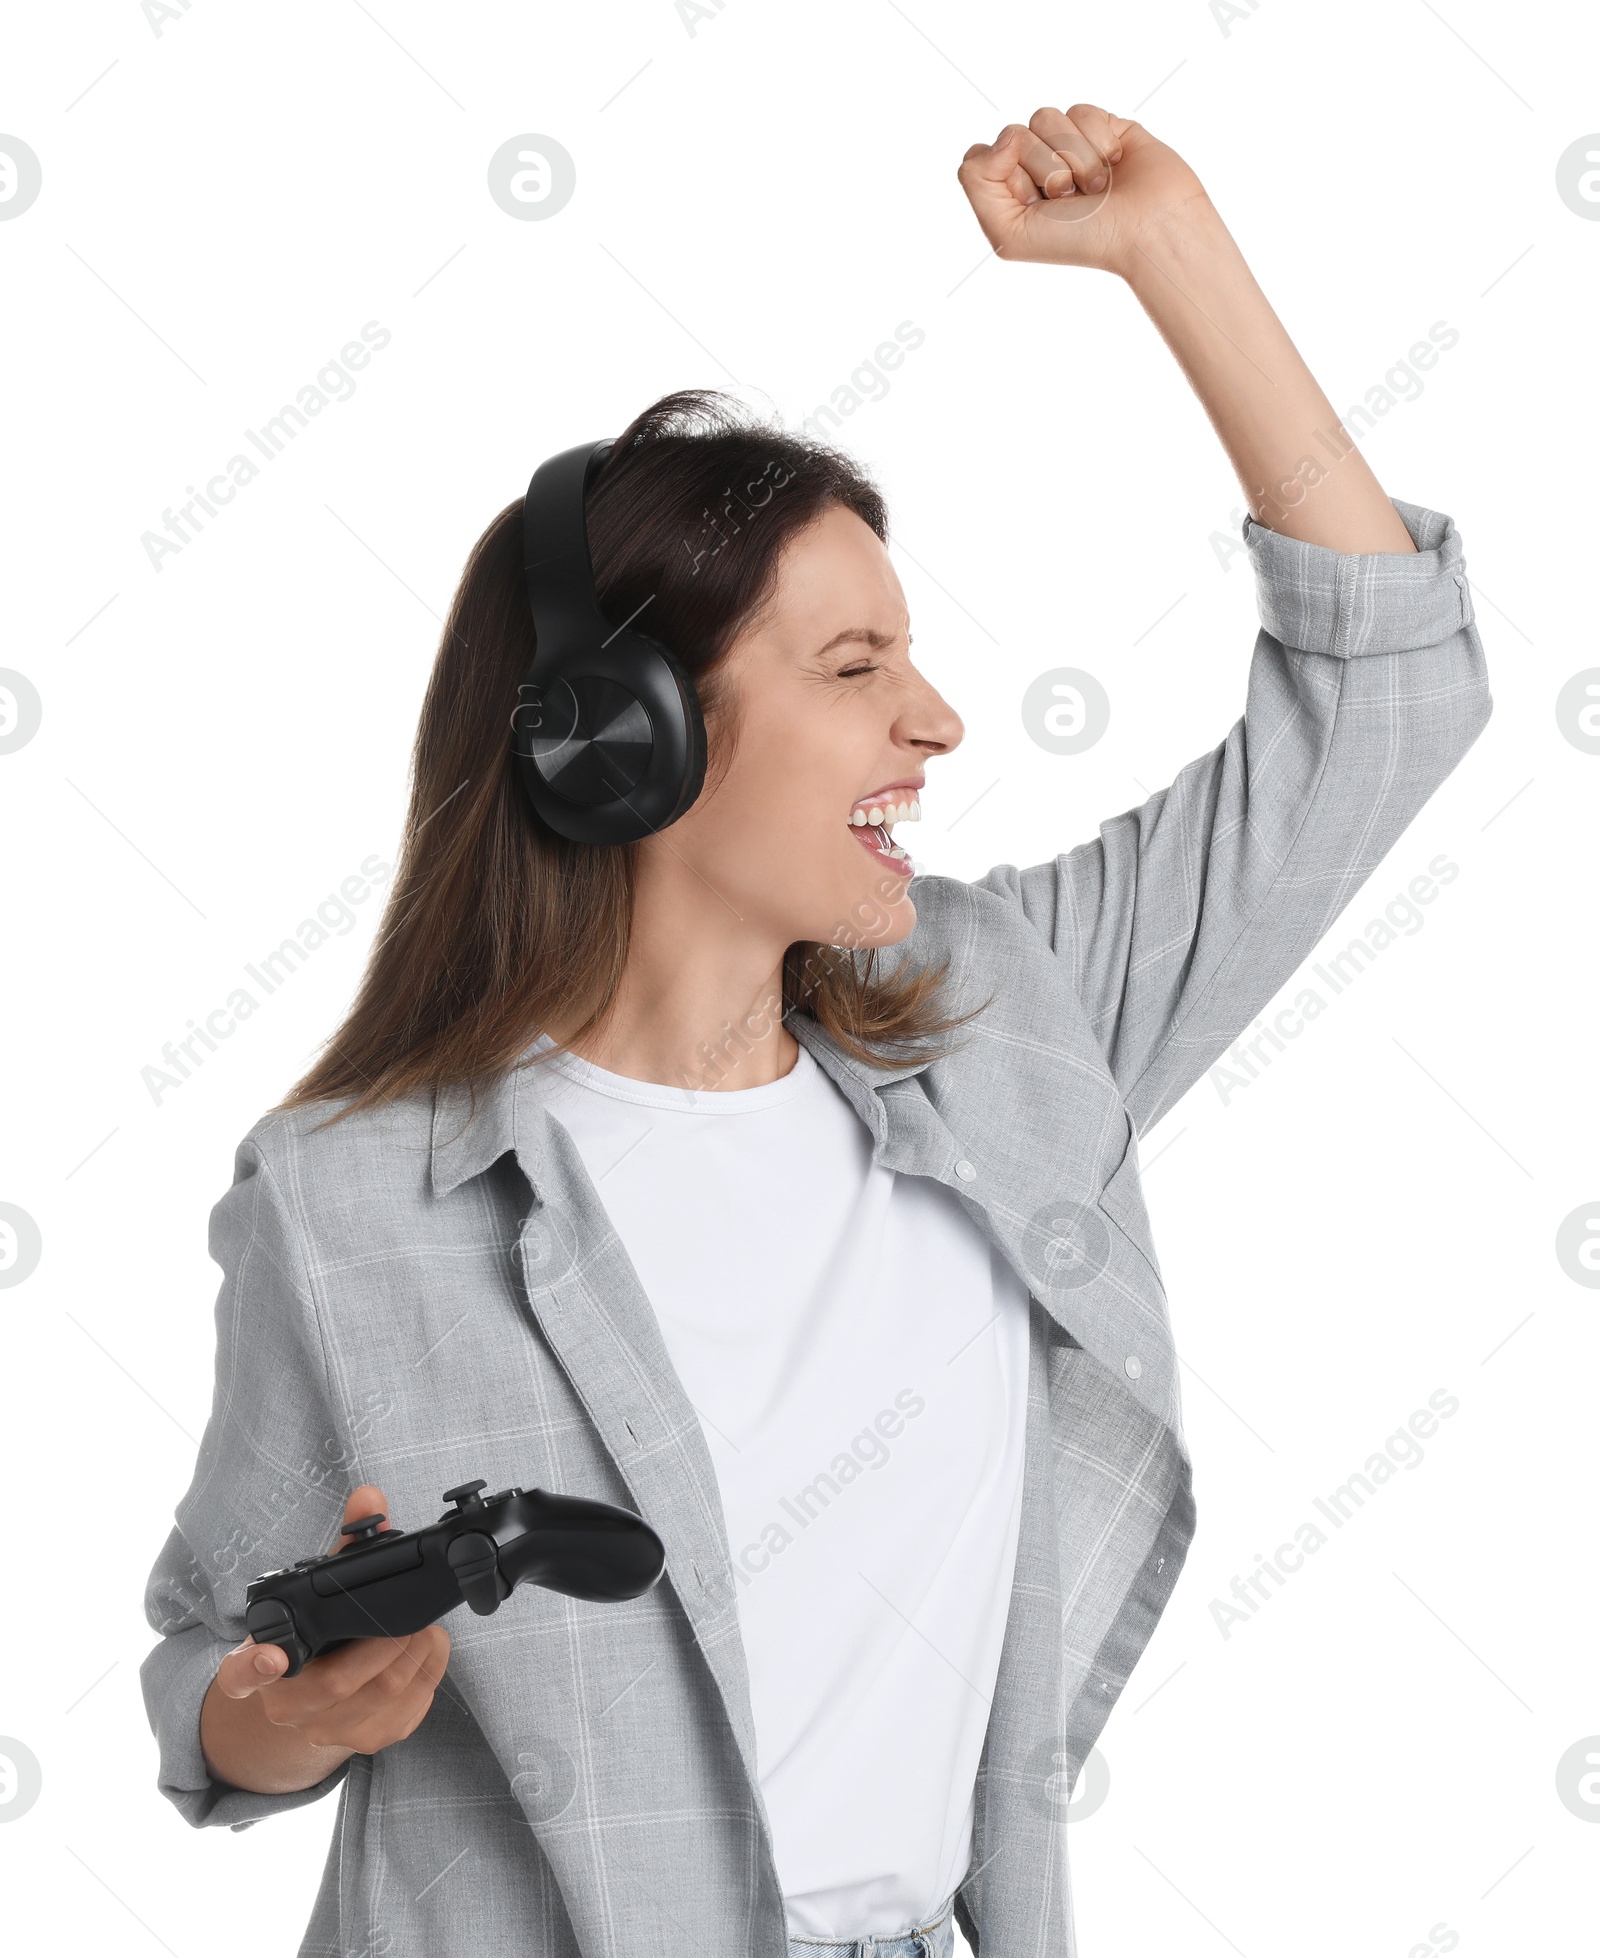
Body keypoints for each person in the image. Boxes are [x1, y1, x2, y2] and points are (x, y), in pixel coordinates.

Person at [139, 103, 1491, 1958]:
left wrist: (1179, 260)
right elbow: (213, 1649)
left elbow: (1388, 699)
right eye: (855, 670)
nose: (934, 720)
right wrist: (277, 1713)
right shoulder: (352, 1196)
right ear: (621, 741)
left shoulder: (1004, 1025)